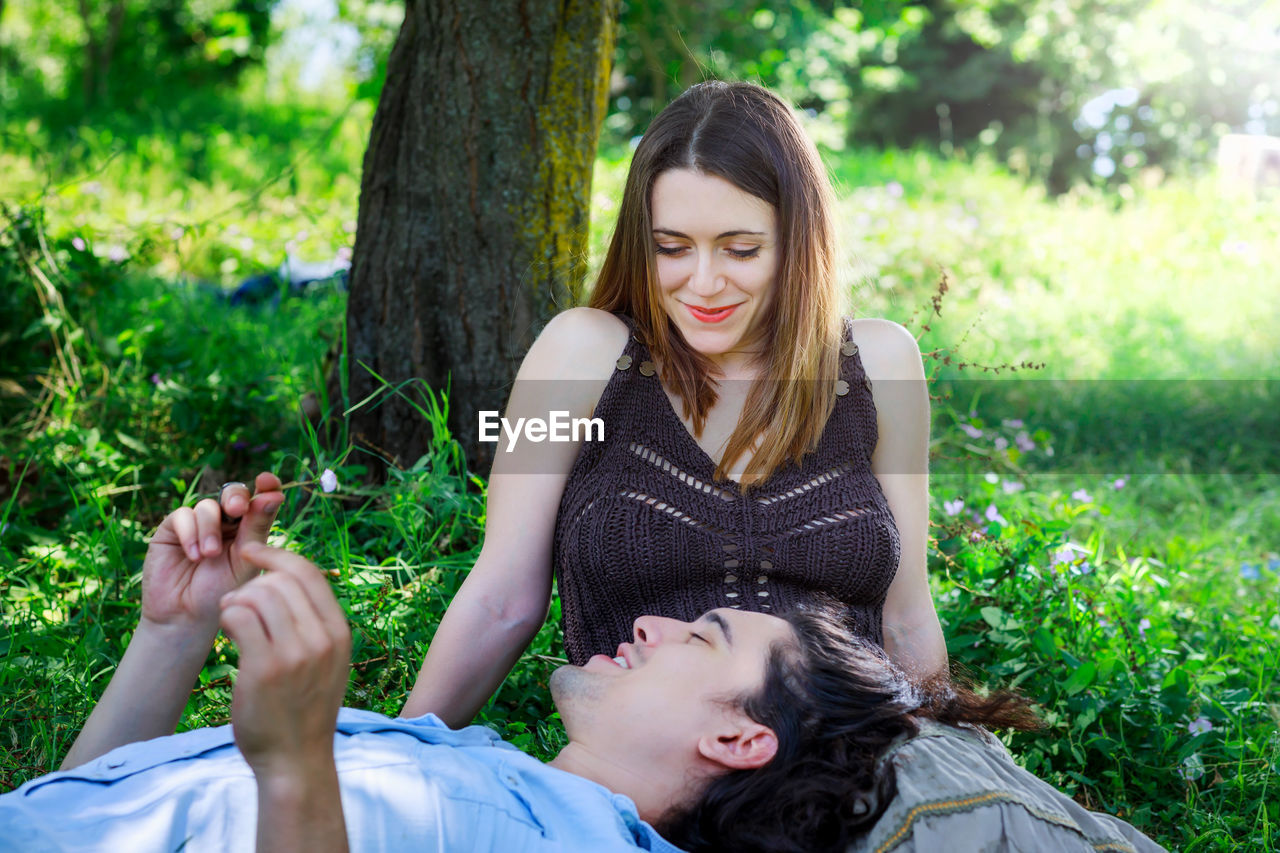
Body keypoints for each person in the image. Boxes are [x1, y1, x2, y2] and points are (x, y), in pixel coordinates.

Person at [0, 478, 1166, 853]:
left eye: (701, 638)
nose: (653, 624)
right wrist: (173, 634)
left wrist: (299, 761)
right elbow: (68, 810)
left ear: (737, 737)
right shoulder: (470, 766)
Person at [405, 79, 945, 730]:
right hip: (652, 777)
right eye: (672, 247)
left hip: (844, 772)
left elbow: (907, 617)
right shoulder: (582, 355)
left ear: (798, 243)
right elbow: (502, 600)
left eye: (740, 249)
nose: (705, 282)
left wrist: (949, 774)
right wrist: (403, 750)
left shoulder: (881, 366)